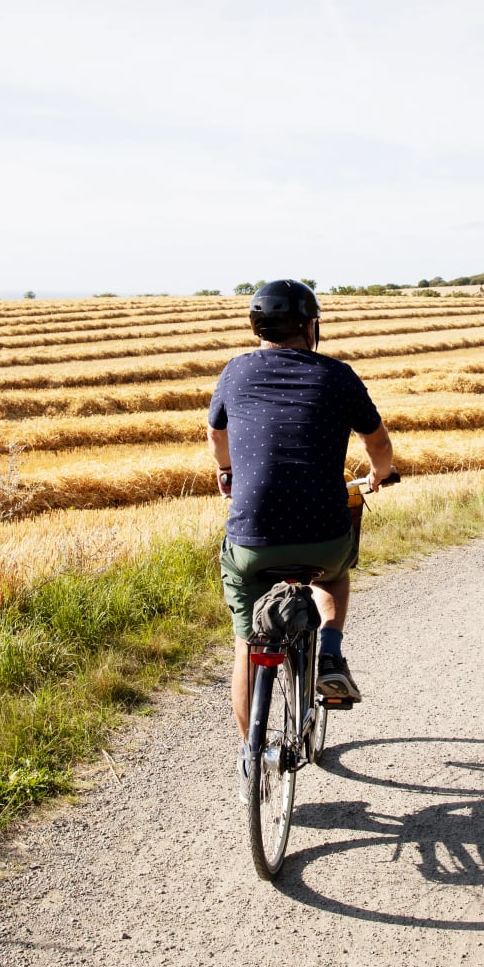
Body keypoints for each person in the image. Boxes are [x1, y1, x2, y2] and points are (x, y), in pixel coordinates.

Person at [208, 279, 395, 739]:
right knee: (333, 575)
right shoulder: (338, 375)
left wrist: (228, 472)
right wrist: (377, 475)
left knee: (247, 644)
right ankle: (329, 652)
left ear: (259, 327)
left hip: (253, 539)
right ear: (310, 327)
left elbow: (216, 436)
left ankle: (252, 756)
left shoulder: (234, 372)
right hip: (323, 536)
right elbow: (379, 443)